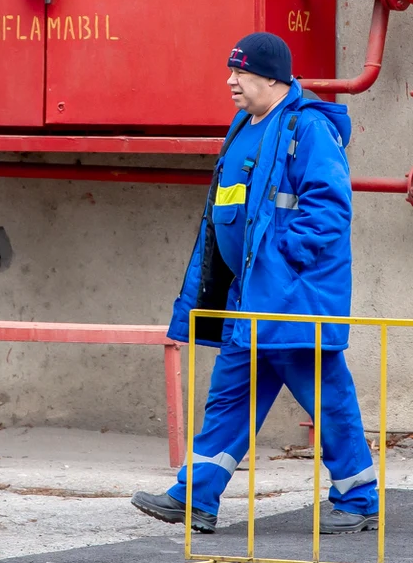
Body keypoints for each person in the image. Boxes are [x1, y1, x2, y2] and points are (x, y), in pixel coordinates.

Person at [132, 31, 378, 535]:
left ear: (272, 79)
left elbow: (330, 209)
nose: (231, 81)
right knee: (228, 399)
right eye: (231, 71)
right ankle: (194, 498)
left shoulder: (308, 128)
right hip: (250, 298)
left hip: (291, 300)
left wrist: (282, 260)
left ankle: (359, 501)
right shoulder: (246, 125)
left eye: (240, 73)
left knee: (327, 399)